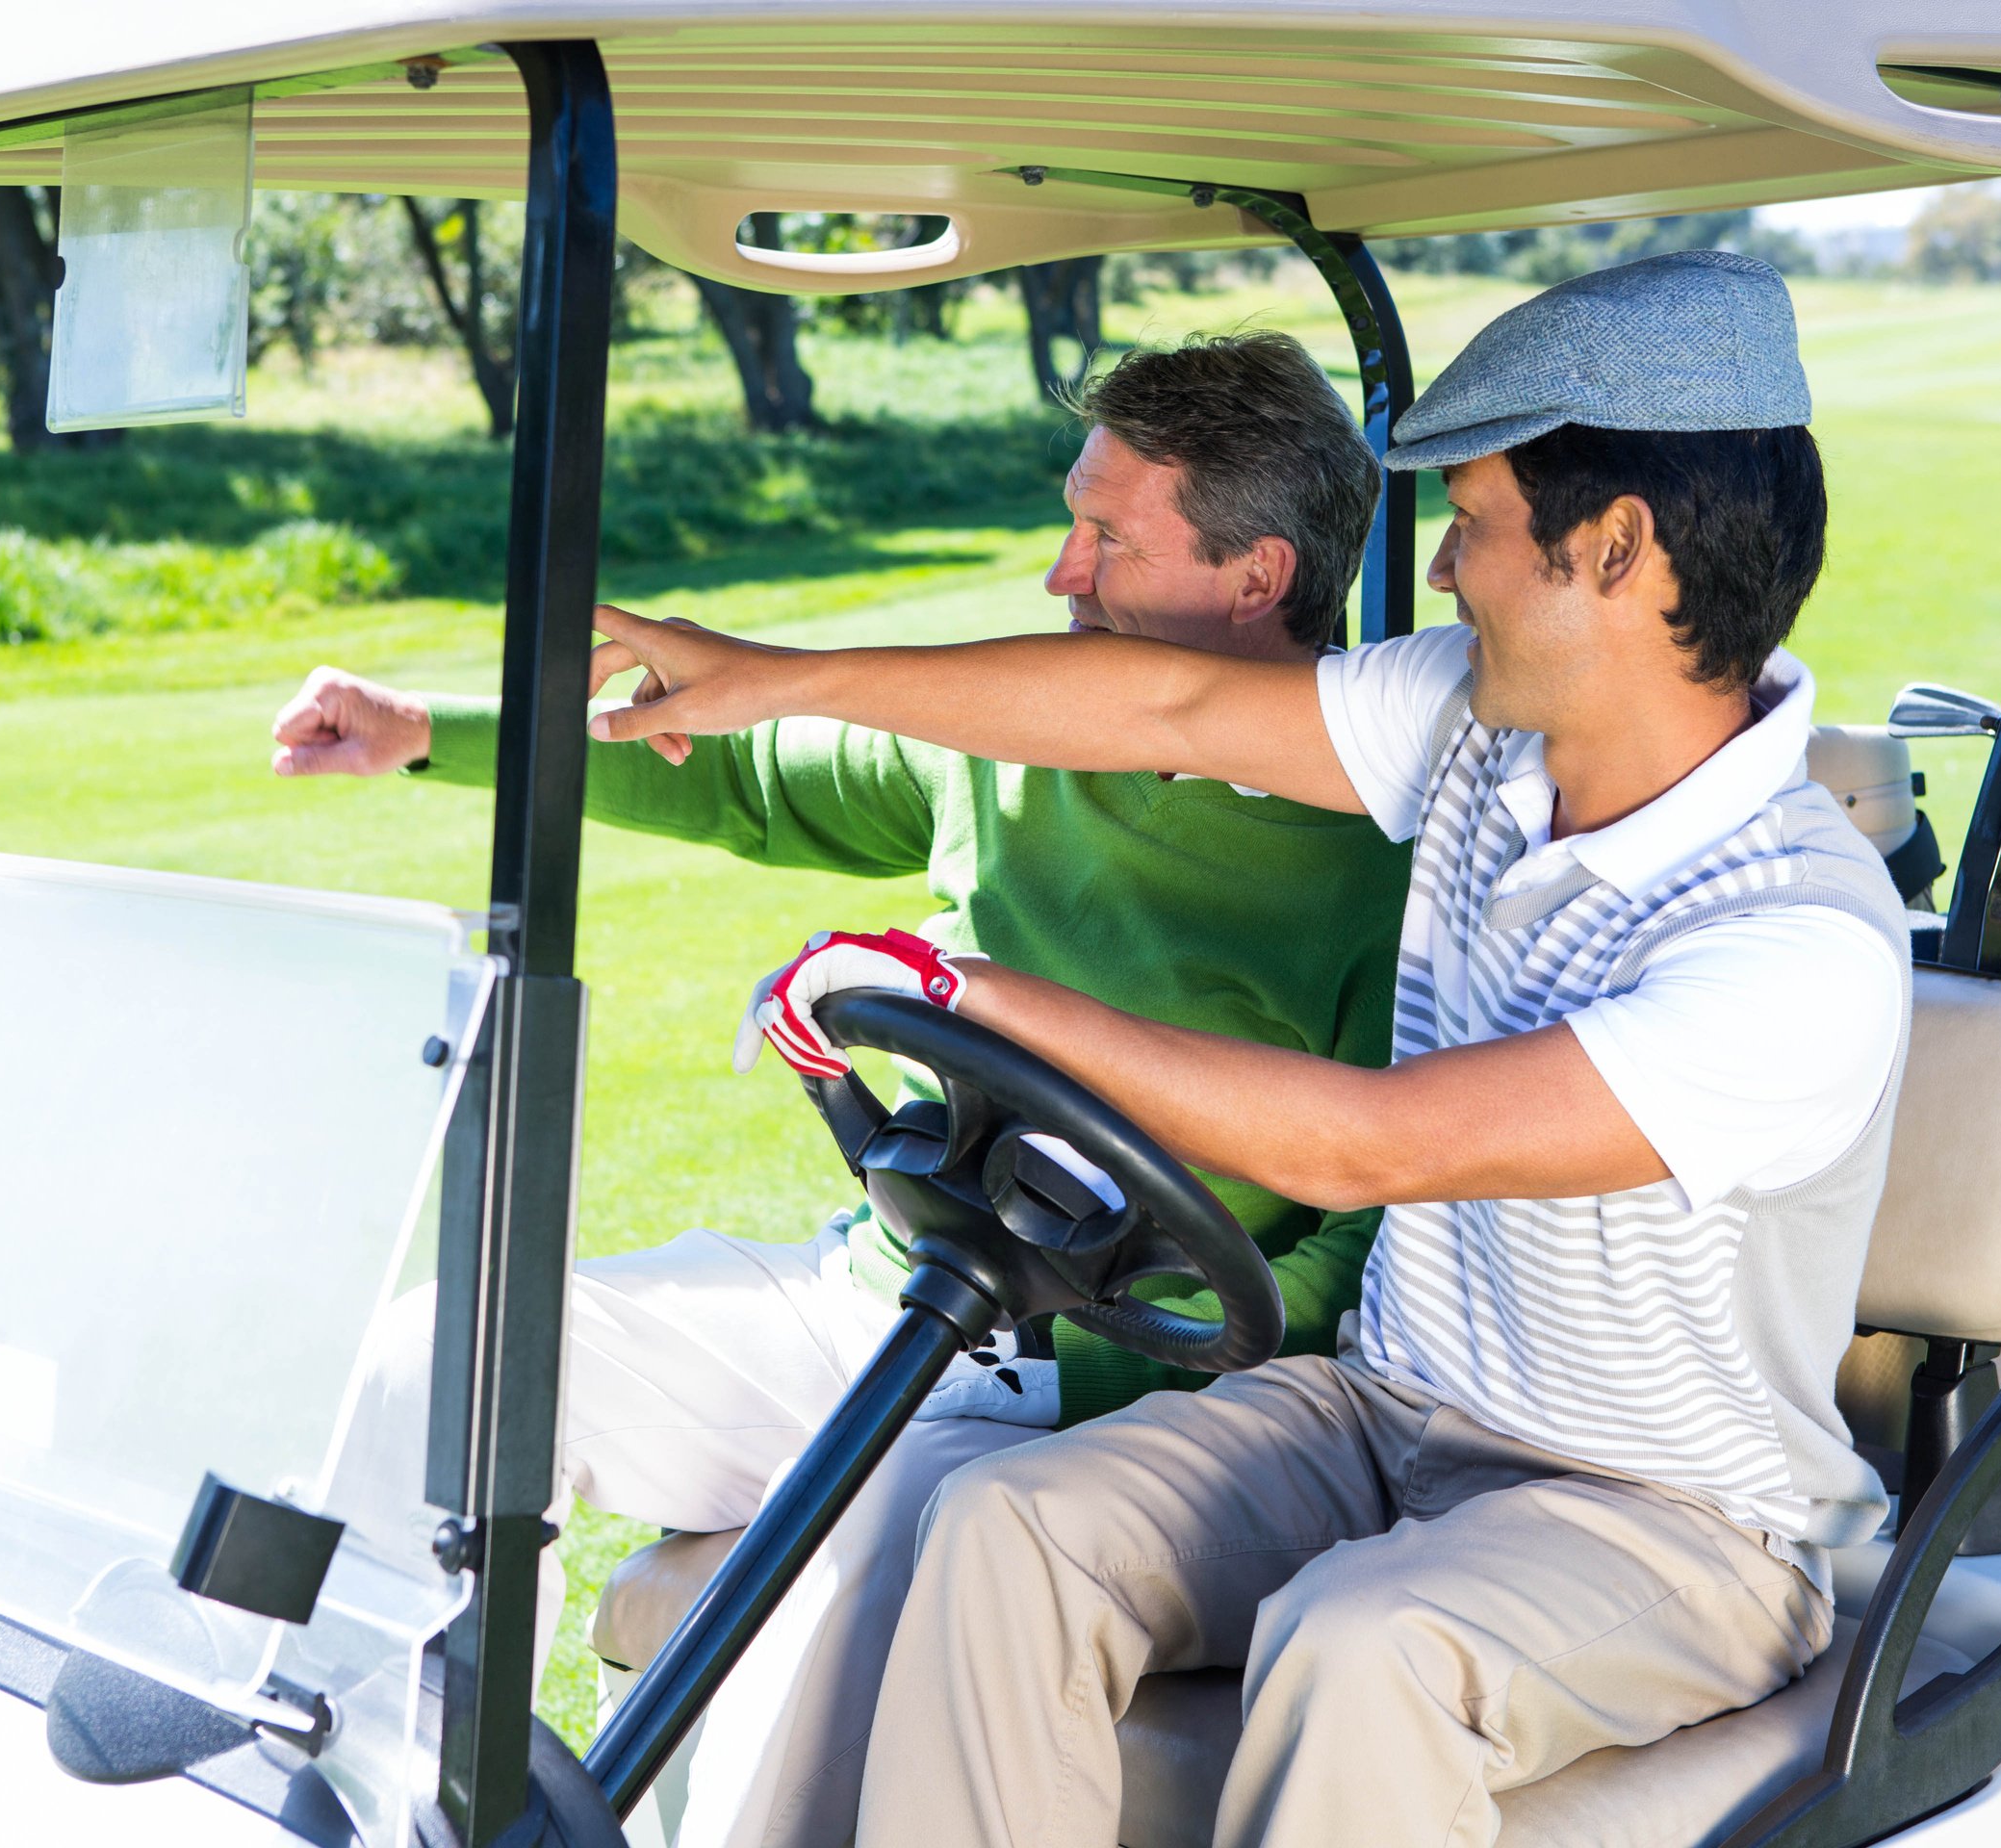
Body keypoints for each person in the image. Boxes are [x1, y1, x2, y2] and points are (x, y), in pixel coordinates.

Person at [582, 251, 1910, 1848]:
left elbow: (1374, 1144)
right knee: (1005, 1524)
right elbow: (1167, 709)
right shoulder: (1482, 736)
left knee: (1364, 1650)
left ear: (1613, 551)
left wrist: (973, 992)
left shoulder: (1791, 942)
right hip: (1387, 1416)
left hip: (1672, 1521)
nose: (1446, 573)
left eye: (1475, 526)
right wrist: (764, 679)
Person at [270, 332, 1411, 1848]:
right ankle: (356, 1798)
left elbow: (1379, 1229)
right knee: (453, 1357)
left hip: (1099, 1381)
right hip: (883, 1293)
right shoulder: (1014, 742)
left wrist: (1134, 1369)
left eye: (1106, 536)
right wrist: (429, 736)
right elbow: (739, 774)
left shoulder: (1388, 863)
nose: (1058, 574)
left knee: (823, 1579)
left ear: (1256, 576)